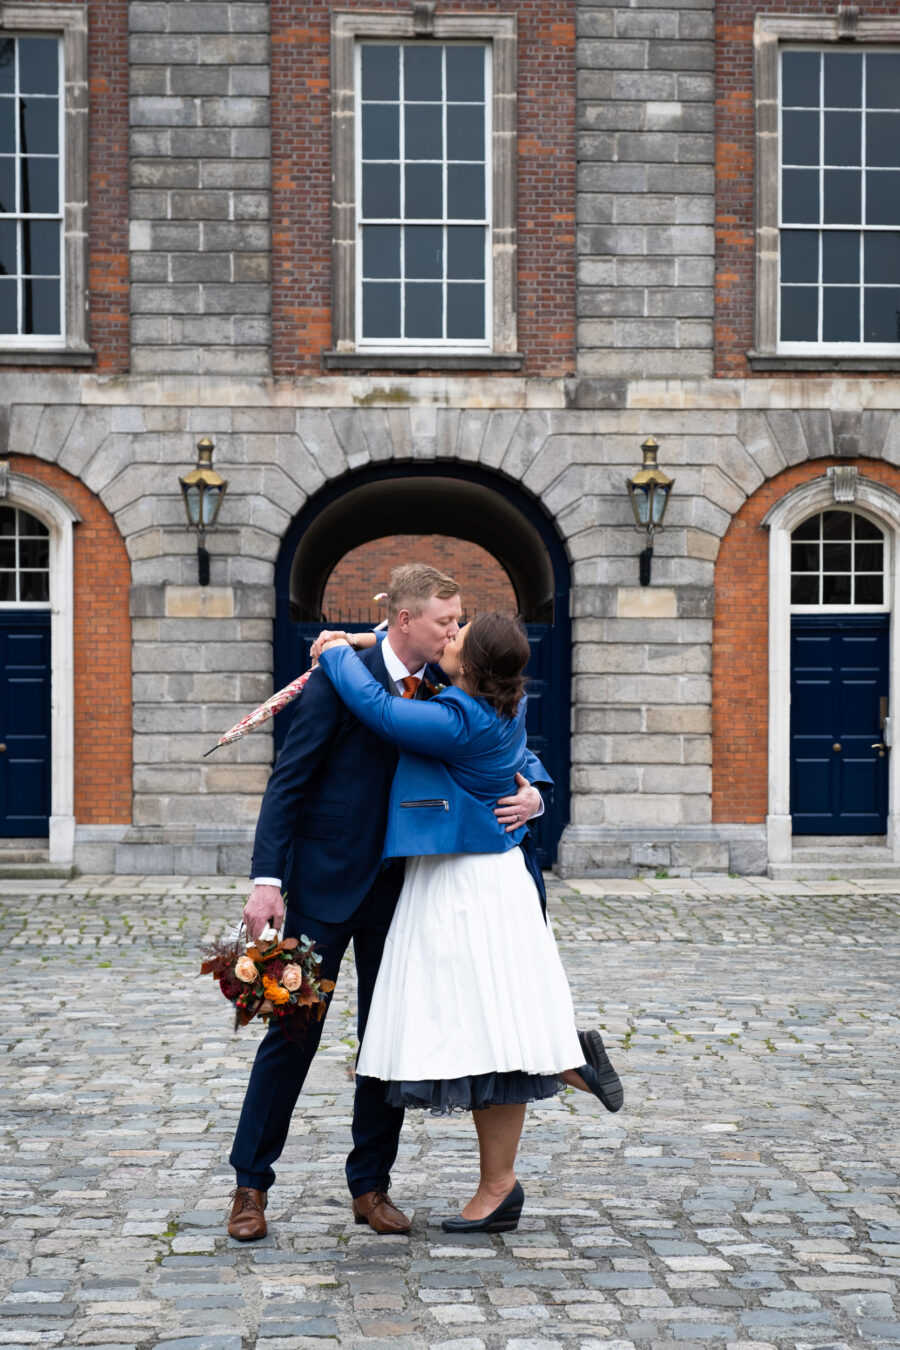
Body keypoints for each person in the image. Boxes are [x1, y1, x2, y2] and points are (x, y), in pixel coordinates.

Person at [226, 564, 548, 1241]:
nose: (455, 631)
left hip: (404, 890)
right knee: (290, 1036)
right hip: (320, 888)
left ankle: (370, 1188)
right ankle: (249, 1187)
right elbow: (289, 782)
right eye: (445, 621)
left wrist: (536, 793)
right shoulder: (337, 680)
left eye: (458, 622)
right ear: (405, 621)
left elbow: (509, 739)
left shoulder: (448, 681)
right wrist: (266, 880)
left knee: (386, 1043)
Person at [315, 612, 623, 1234]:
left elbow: (378, 709)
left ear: (475, 667)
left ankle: (558, 1062)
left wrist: (331, 651)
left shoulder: (458, 718)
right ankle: (554, 1077)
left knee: (476, 1018)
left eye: (456, 637)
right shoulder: (503, 708)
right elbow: (515, 755)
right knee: (493, 1021)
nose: (446, 638)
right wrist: (367, 638)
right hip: (488, 875)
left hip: (465, 882)